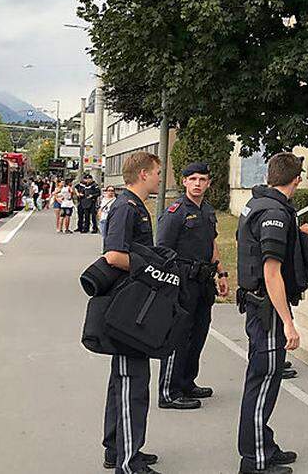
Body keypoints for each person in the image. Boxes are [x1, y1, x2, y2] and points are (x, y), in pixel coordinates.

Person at [236, 153, 308, 474]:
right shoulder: (274, 213)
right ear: (297, 179)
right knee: (263, 381)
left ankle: (263, 443)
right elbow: (271, 272)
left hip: (257, 305)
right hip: (266, 310)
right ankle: (254, 460)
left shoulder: (259, 204)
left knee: (264, 379)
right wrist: (289, 323)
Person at [98, 152, 164, 473]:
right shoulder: (126, 207)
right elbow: (113, 255)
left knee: (123, 380)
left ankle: (116, 449)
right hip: (127, 308)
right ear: (142, 174)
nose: (159, 178)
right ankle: (128, 460)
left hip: (131, 305)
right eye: (156, 173)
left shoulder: (134, 206)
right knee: (132, 383)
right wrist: (149, 266)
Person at [155, 162, 228, 410]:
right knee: (179, 336)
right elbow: (162, 249)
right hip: (183, 280)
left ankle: (187, 382)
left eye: (202, 179)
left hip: (203, 281)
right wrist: (172, 283)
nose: (197, 183)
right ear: (184, 181)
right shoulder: (175, 212)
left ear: (209, 182)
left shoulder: (207, 210)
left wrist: (221, 272)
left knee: (198, 333)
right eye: (192, 179)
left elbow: (212, 243)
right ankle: (169, 391)